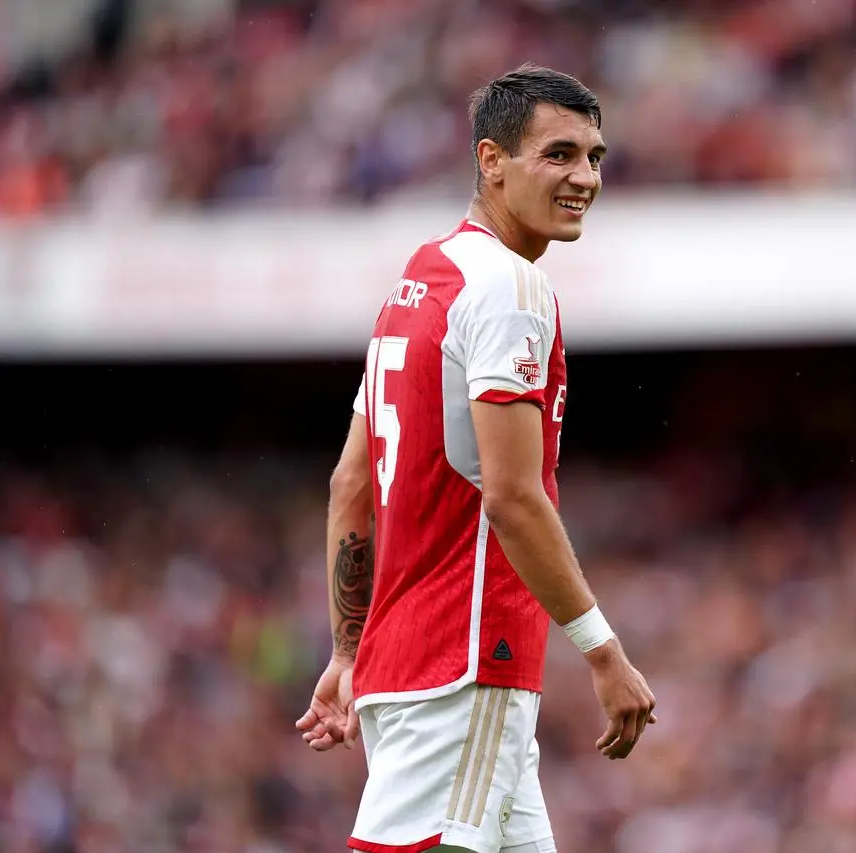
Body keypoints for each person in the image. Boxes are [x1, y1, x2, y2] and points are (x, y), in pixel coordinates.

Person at [294, 64, 657, 853]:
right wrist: (604, 651)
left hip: (412, 665)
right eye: (558, 154)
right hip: (464, 660)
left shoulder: (420, 281)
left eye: (595, 157)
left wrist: (349, 651)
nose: (584, 177)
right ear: (491, 160)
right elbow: (513, 497)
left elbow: (350, 482)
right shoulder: (509, 287)